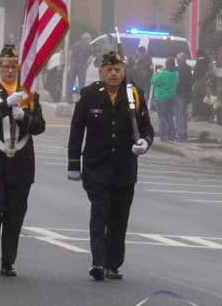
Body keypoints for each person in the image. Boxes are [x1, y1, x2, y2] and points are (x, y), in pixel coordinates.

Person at [68, 50, 154, 281]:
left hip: (124, 169)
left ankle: (113, 263)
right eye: (109, 69)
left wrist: (144, 143)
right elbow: (77, 130)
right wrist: (73, 163)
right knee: (100, 214)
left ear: (124, 71)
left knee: (119, 218)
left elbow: (146, 128)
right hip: (96, 167)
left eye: (118, 69)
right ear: (101, 71)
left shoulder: (134, 94)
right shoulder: (89, 95)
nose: (114, 73)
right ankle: (97, 262)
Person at [0, 44, 45, 277]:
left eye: (14, 66)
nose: (10, 70)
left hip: (20, 161)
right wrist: (4, 105)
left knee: (15, 212)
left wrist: (24, 116)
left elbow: (39, 126)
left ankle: (8, 261)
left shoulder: (29, 94)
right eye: (6, 66)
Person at [151, 58, 179, 142]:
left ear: (167, 65)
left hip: (161, 97)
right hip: (171, 97)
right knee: (170, 116)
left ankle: (163, 135)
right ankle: (172, 135)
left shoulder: (164, 74)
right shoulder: (176, 74)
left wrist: (156, 73)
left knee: (162, 117)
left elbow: (153, 81)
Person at [67, 32, 93, 101]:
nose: (90, 40)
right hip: (82, 65)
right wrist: (87, 65)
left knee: (71, 81)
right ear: (87, 39)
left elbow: (70, 54)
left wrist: (70, 63)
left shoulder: (75, 44)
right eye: (90, 39)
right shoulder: (89, 46)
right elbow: (91, 57)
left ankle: (69, 98)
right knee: (81, 83)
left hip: (73, 65)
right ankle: (81, 99)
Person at [174, 53, 193, 141]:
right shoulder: (188, 69)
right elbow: (190, 83)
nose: (177, 61)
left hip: (179, 94)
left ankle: (180, 133)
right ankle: (184, 132)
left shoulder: (178, 69)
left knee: (179, 114)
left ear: (180, 60)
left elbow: (178, 82)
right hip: (187, 95)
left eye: (178, 59)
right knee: (184, 115)